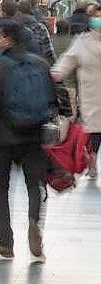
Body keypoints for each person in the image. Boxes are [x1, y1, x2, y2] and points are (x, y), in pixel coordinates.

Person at [0, 19, 53, 261]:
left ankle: (6, 243)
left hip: (4, 138)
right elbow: (54, 99)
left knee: (2, 189)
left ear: (6, 39)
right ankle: (34, 222)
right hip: (33, 136)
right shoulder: (40, 64)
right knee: (34, 186)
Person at [52, 13, 101, 179]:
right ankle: (92, 162)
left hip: (92, 95)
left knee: (95, 131)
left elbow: (68, 59)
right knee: (94, 132)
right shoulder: (82, 41)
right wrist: (58, 72)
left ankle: (92, 162)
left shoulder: (82, 41)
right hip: (91, 96)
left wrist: (58, 72)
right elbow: (68, 59)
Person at [19, 0, 57, 65]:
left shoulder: (13, 27)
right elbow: (48, 51)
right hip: (37, 65)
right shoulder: (40, 27)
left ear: (18, 12)